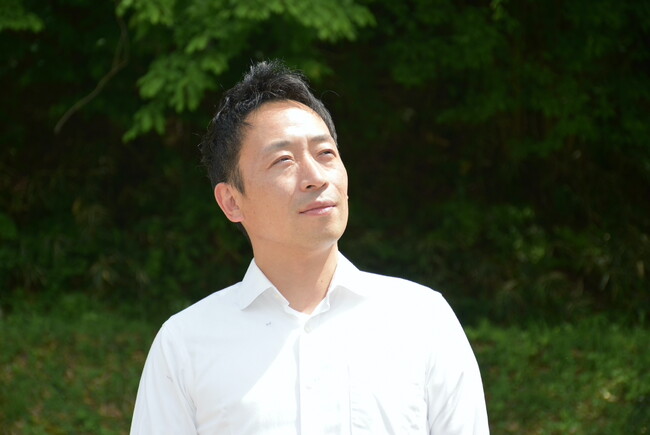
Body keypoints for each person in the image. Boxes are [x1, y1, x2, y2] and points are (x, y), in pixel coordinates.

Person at [130, 60, 489, 434]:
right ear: (232, 201)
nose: (316, 177)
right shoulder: (186, 344)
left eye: (325, 154)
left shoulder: (422, 321)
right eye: (283, 160)